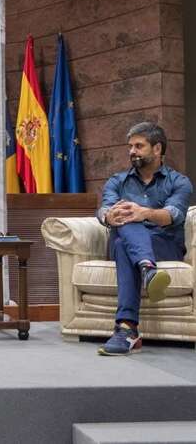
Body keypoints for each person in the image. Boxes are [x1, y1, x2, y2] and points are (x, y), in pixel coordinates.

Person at [96, 122, 192, 356]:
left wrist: (144, 213)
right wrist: (108, 215)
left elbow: (174, 215)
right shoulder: (118, 181)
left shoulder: (179, 182)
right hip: (131, 245)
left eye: (139, 146)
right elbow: (104, 209)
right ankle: (148, 270)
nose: (132, 151)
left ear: (157, 149)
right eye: (130, 147)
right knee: (123, 230)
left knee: (124, 237)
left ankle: (126, 330)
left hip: (164, 245)